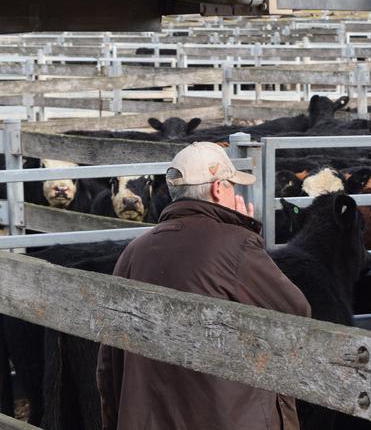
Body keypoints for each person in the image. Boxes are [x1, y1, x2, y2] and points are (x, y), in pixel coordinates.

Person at [97, 142, 311, 430]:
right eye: (233, 186)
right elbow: (298, 314)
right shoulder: (236, 245)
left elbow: (108, 362)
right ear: (218, 188)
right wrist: (243, 232)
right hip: (229, 419)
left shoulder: (133, 252)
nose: (235, 194)